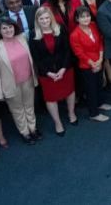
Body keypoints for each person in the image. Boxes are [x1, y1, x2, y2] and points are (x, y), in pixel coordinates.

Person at [0, 18, 40, 145]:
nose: (8, 30)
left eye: (10, 27)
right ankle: (25, 132)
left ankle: (33, 128)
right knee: (17, 110)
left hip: (28, 79)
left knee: (29, 106)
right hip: (10, 85)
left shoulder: (22, 38)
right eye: (4, 28)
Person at [29, 7, 77, 135]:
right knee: (51, 98)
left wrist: (63, 68)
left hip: (65, 68)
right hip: (47, 73)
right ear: (37, 20)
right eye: (41, 19)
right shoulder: (33, 34)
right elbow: (36, 58)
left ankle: (71, 113)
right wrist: (48, 73)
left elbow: (67, 50)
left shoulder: (60, 29)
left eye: (46, 18)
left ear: (51, 18)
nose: (45, 21)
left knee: (69, 92)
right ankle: (58, 122)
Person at [68, 7, 111, 122]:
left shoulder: (93, 25)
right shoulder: (74, 35)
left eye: (87, 16)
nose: (86, 19)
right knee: (91, 89)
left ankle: (100, 103)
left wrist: (101, 58)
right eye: (82, 17)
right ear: (77, 19)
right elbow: (79, 53)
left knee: (99, 84)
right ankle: (94, 113)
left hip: (98, 60)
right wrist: (93, 64)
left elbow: (100, 42)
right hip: (87, 66)